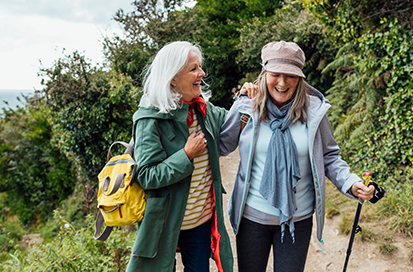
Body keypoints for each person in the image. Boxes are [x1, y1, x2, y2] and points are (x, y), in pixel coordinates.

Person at [219, 41, 375, 272]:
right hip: (252, 219)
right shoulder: (246, 107)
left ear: (300, 78)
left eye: (290, 75)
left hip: (298, 219)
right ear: (263, 75)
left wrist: (351, 183)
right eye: (275, 74)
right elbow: (221, 145)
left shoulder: (314, 112)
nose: (282, 82)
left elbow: (330, 157)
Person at [126, 41, 235, 272]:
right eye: (193, 68)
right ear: (172, 78)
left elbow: (233, 120)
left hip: (200, 221)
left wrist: (246, 99)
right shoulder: (149, 118)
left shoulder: (201, 108)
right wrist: (186, 155)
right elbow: (146, 175)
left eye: (200, 67)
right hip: (165, 223)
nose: (201, 73)